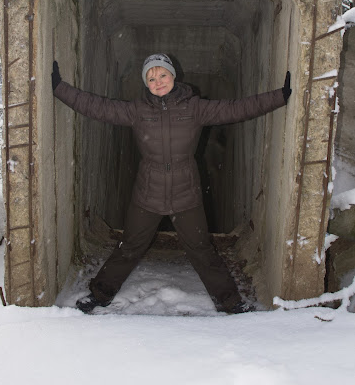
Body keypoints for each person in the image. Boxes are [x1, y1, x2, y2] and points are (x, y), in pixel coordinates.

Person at [52, 54, 291, 314]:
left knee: (201, 250)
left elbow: (238, 107)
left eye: (162, 75)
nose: (158, 82)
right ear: (146, 83)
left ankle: (230, 301)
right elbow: (97, 106)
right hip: (147, 194)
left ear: (173, 75)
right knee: (129, 247)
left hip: (185, 194)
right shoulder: (137, 110)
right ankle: (99, 295)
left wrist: (280, 96)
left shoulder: (195, 107)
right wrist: (59, 88)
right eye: (151, 78)